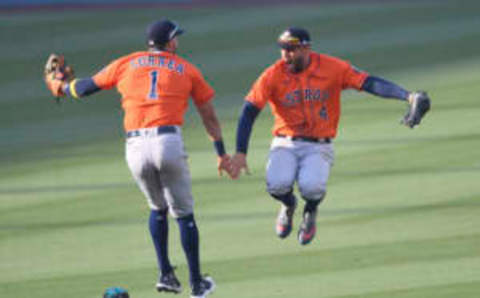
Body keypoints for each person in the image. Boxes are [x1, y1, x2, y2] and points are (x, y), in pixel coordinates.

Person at [44, 19, 232, 298]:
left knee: (157, 209)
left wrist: (61, 86)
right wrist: (220, 152)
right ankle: (196, 284)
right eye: (175, 38)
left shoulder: (126, 63)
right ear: (169, 43)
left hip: (134, 147)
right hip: (167, 141)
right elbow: (209, 116)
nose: (177, 42)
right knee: (184, 214)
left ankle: (166, 274)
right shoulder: (187, 69)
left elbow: (83, 88)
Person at [231, 27, 430, 245]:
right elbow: (248, 111)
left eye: (291, 49)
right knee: (277, 185)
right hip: (285, 141)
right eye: (283, 49)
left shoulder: (332, 68)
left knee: (312, 187)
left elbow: (368, 82)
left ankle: (311, 212)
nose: (285, 54)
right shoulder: (272, 75)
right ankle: (288, 205)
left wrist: (407, 96)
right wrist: (240, 152)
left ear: (306, 48)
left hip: (319, 144)